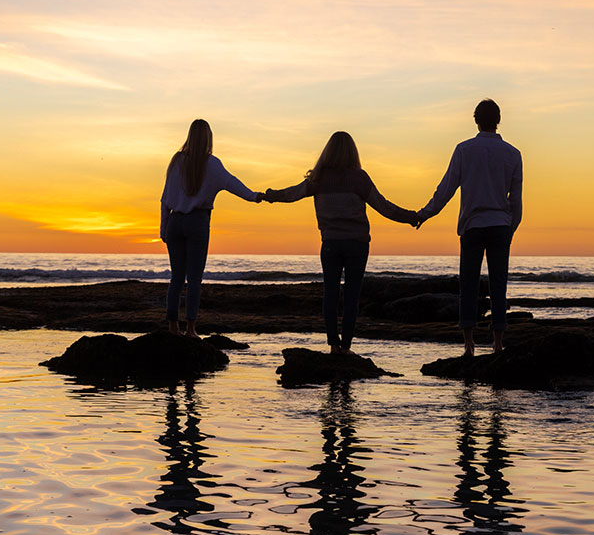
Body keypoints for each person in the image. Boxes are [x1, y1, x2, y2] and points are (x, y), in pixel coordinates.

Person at [263, 131, 418, 354]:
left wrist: (269, 195)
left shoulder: (319, 179)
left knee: (331, 293)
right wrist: (412, 217)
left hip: (331, 243)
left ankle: (333, 345)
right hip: (357, 243)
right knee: (352, 296)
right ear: (352, 152)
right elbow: (384, 207)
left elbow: (291, 194)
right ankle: (346, 347)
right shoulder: (359, 178)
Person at [415, 99, 522, 356]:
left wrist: (425, 214)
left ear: (476, 120)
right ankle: (497, 343)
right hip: (499, 224)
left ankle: (469, 345)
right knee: (499, 284)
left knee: (469, 285)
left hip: (473, 225)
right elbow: (515, 200)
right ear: (498, 120)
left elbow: (447, 188)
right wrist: (511, 228)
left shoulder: (464, 150)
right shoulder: (513, 153)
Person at [160, 118, 263, 338]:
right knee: (194, 279)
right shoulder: (212, 164)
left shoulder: (177, 160)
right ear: (208, 138)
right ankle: (190, 329)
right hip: (197, 221)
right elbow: (232, 183)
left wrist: (163, 226)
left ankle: (172, 327)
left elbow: (165, 198)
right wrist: (254, 196)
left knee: (176, 278)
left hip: (175, 222)